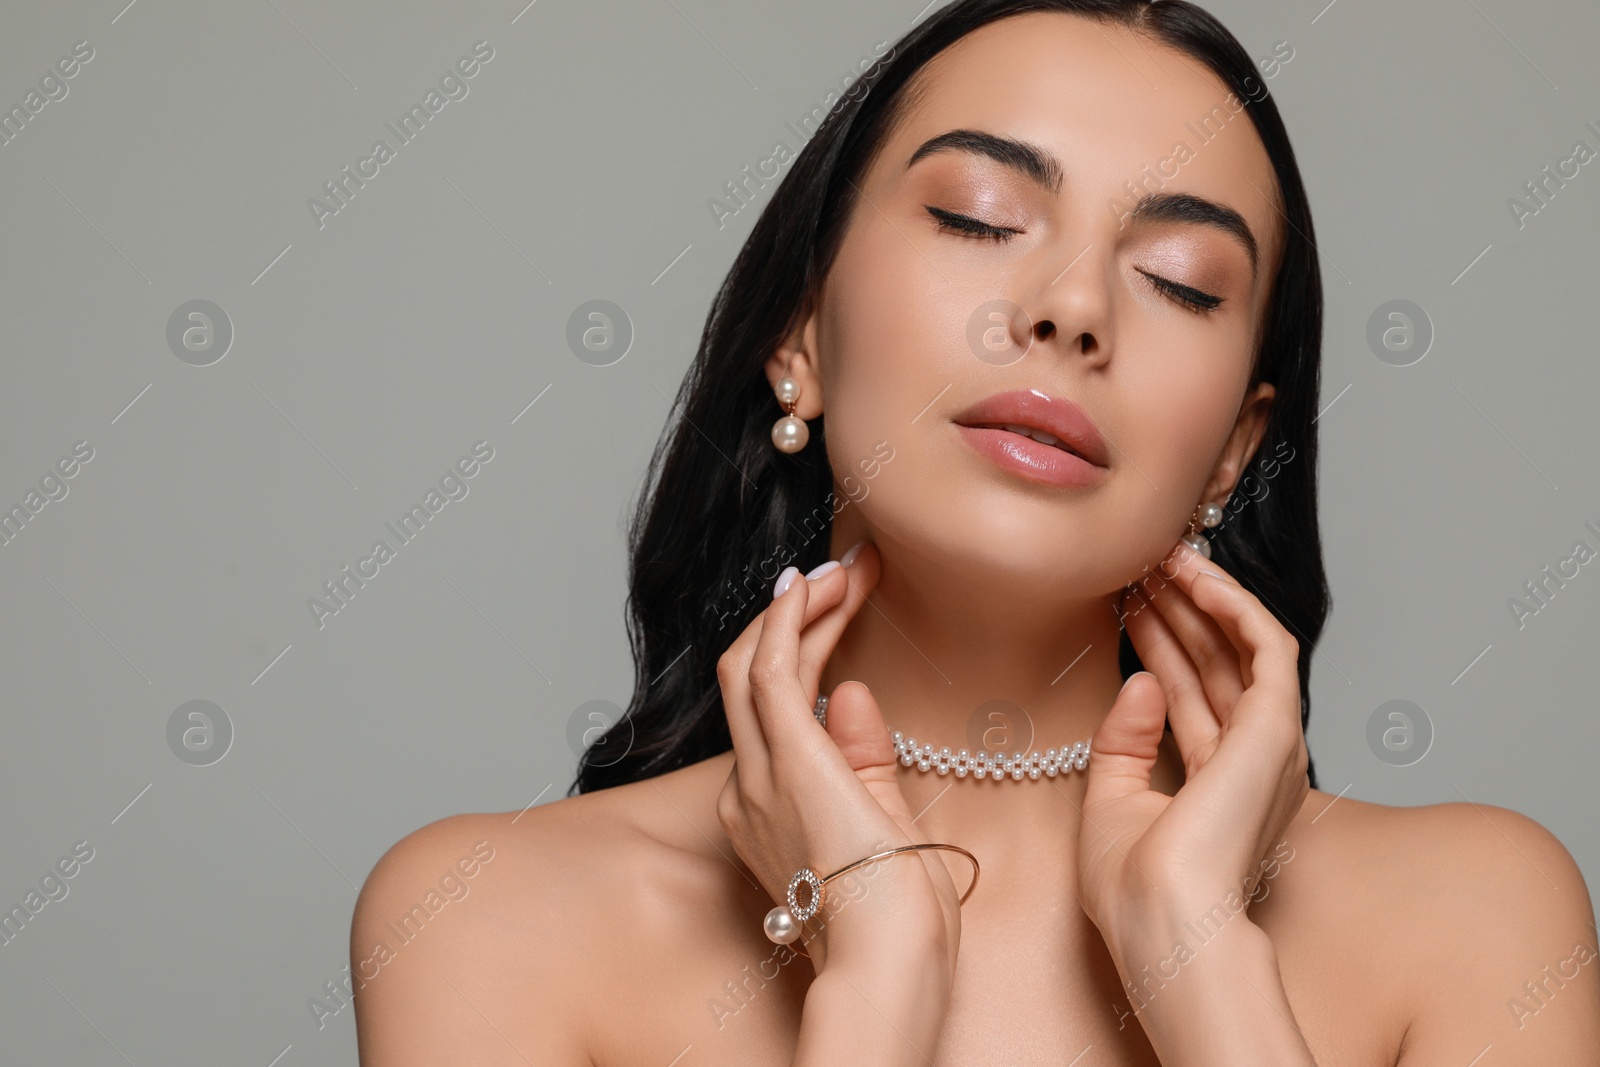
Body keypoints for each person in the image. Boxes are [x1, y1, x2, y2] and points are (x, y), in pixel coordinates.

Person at [350, 2, 1600, 1063]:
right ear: (799, 339)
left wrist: (1202, 957)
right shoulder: (489, 917)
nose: (1069, 307)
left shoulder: (1476, 912)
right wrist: (874, 975)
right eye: (978, 215)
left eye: (1179, 279)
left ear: (1230, 447)